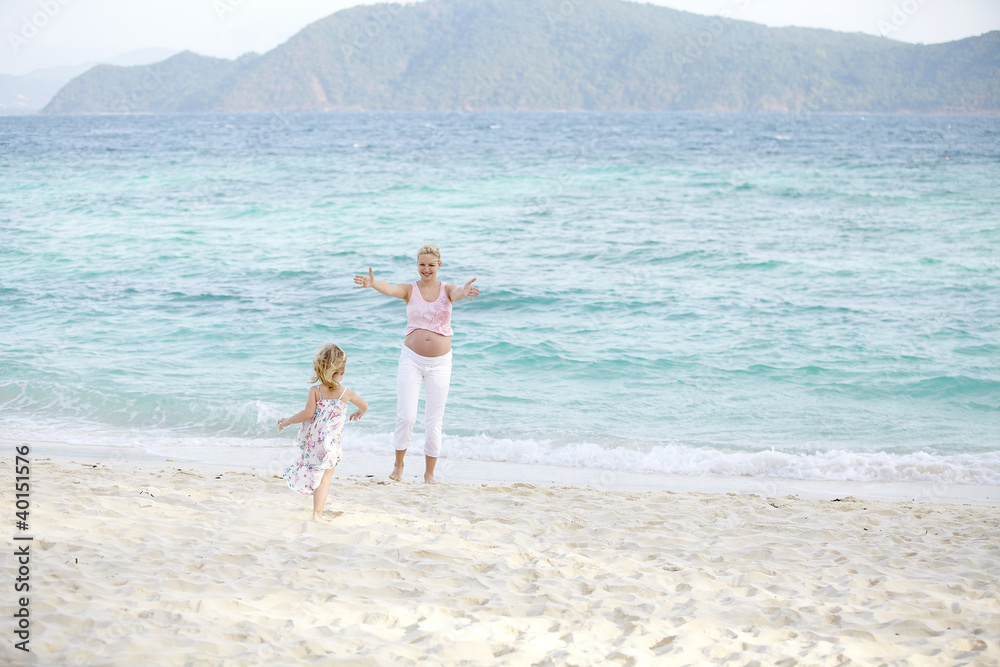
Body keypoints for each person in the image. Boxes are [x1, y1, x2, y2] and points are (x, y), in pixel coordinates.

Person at [353, 243, 479, 483]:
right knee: (406, 416)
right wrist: (373, 283)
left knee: (434, 421)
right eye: (422, 264)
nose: (426, 269)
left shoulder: (447, 289)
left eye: (431, 265)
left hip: (440, 363)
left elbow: (457, 293)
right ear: (417, 265)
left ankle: (429, 473)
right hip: (411, 359)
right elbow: (391, 288)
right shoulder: (409, 290)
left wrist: (464, 290)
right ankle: (398, 465)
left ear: (439, 265)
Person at [279, 343, 367, 521]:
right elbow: (364, 405)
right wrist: (359, 412)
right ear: (342, 371)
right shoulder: (346, 393)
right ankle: (317, 514)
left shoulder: (315, 391)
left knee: (318, 474)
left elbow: (307, 414)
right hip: (331, 444)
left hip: (315, 442)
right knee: (325, 479)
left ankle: (319, 497)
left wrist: (288, 420)